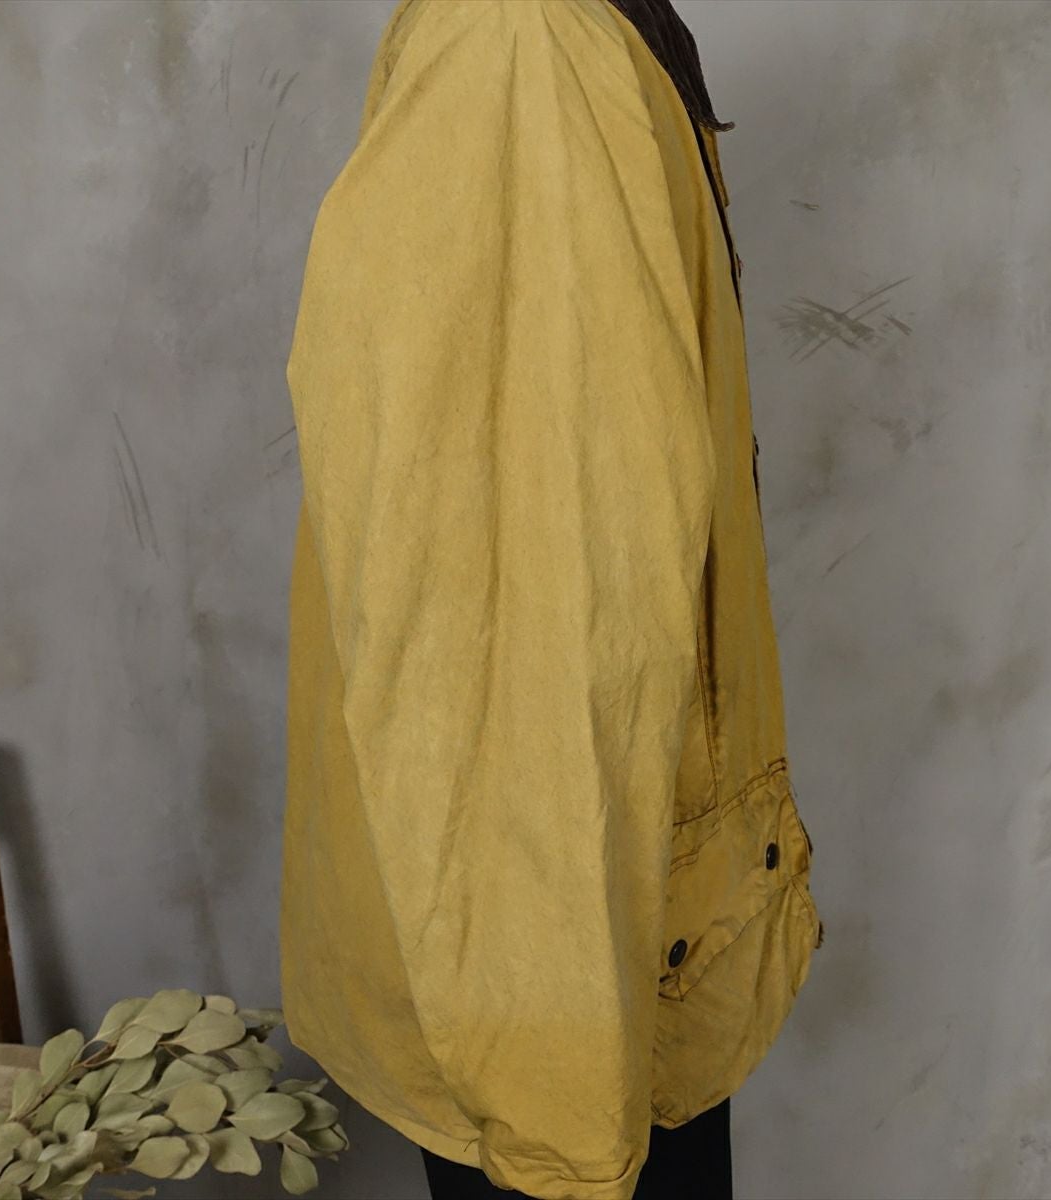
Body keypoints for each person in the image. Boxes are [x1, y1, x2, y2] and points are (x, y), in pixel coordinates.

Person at [280, 2, 823, 1198]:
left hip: (610, 934)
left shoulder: (557, 30)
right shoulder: (525, 46)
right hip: (561, 972)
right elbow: (525, 613)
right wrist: (559, 1112)